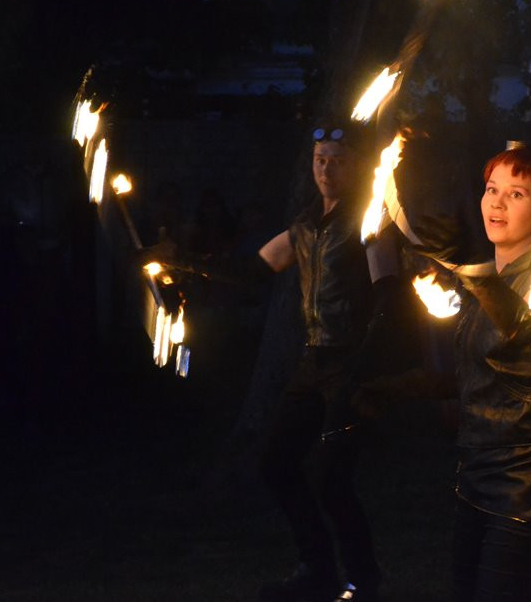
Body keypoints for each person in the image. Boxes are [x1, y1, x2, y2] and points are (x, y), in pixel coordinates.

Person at [158, 121, 402, 602]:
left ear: (355, 166)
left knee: (332, 479)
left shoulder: (370, 221)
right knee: (275, 462)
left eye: (337, 159)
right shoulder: (306, 227)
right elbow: (251, 271)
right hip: (313, 363)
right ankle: (317, 570)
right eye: (320, 160)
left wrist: (363, 370)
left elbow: (390, 298)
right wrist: (180, 262)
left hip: (350, 368)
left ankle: (363, 580)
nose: (327, 168)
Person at [409, 143, 531, 601]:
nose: (496, 202)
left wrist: (468, 272)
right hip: (474, 477)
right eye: (492, 189)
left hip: (530, 488)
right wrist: (379, 390)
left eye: (516, 194)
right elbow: (474, 377)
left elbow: (518, 329)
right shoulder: (482, 285)